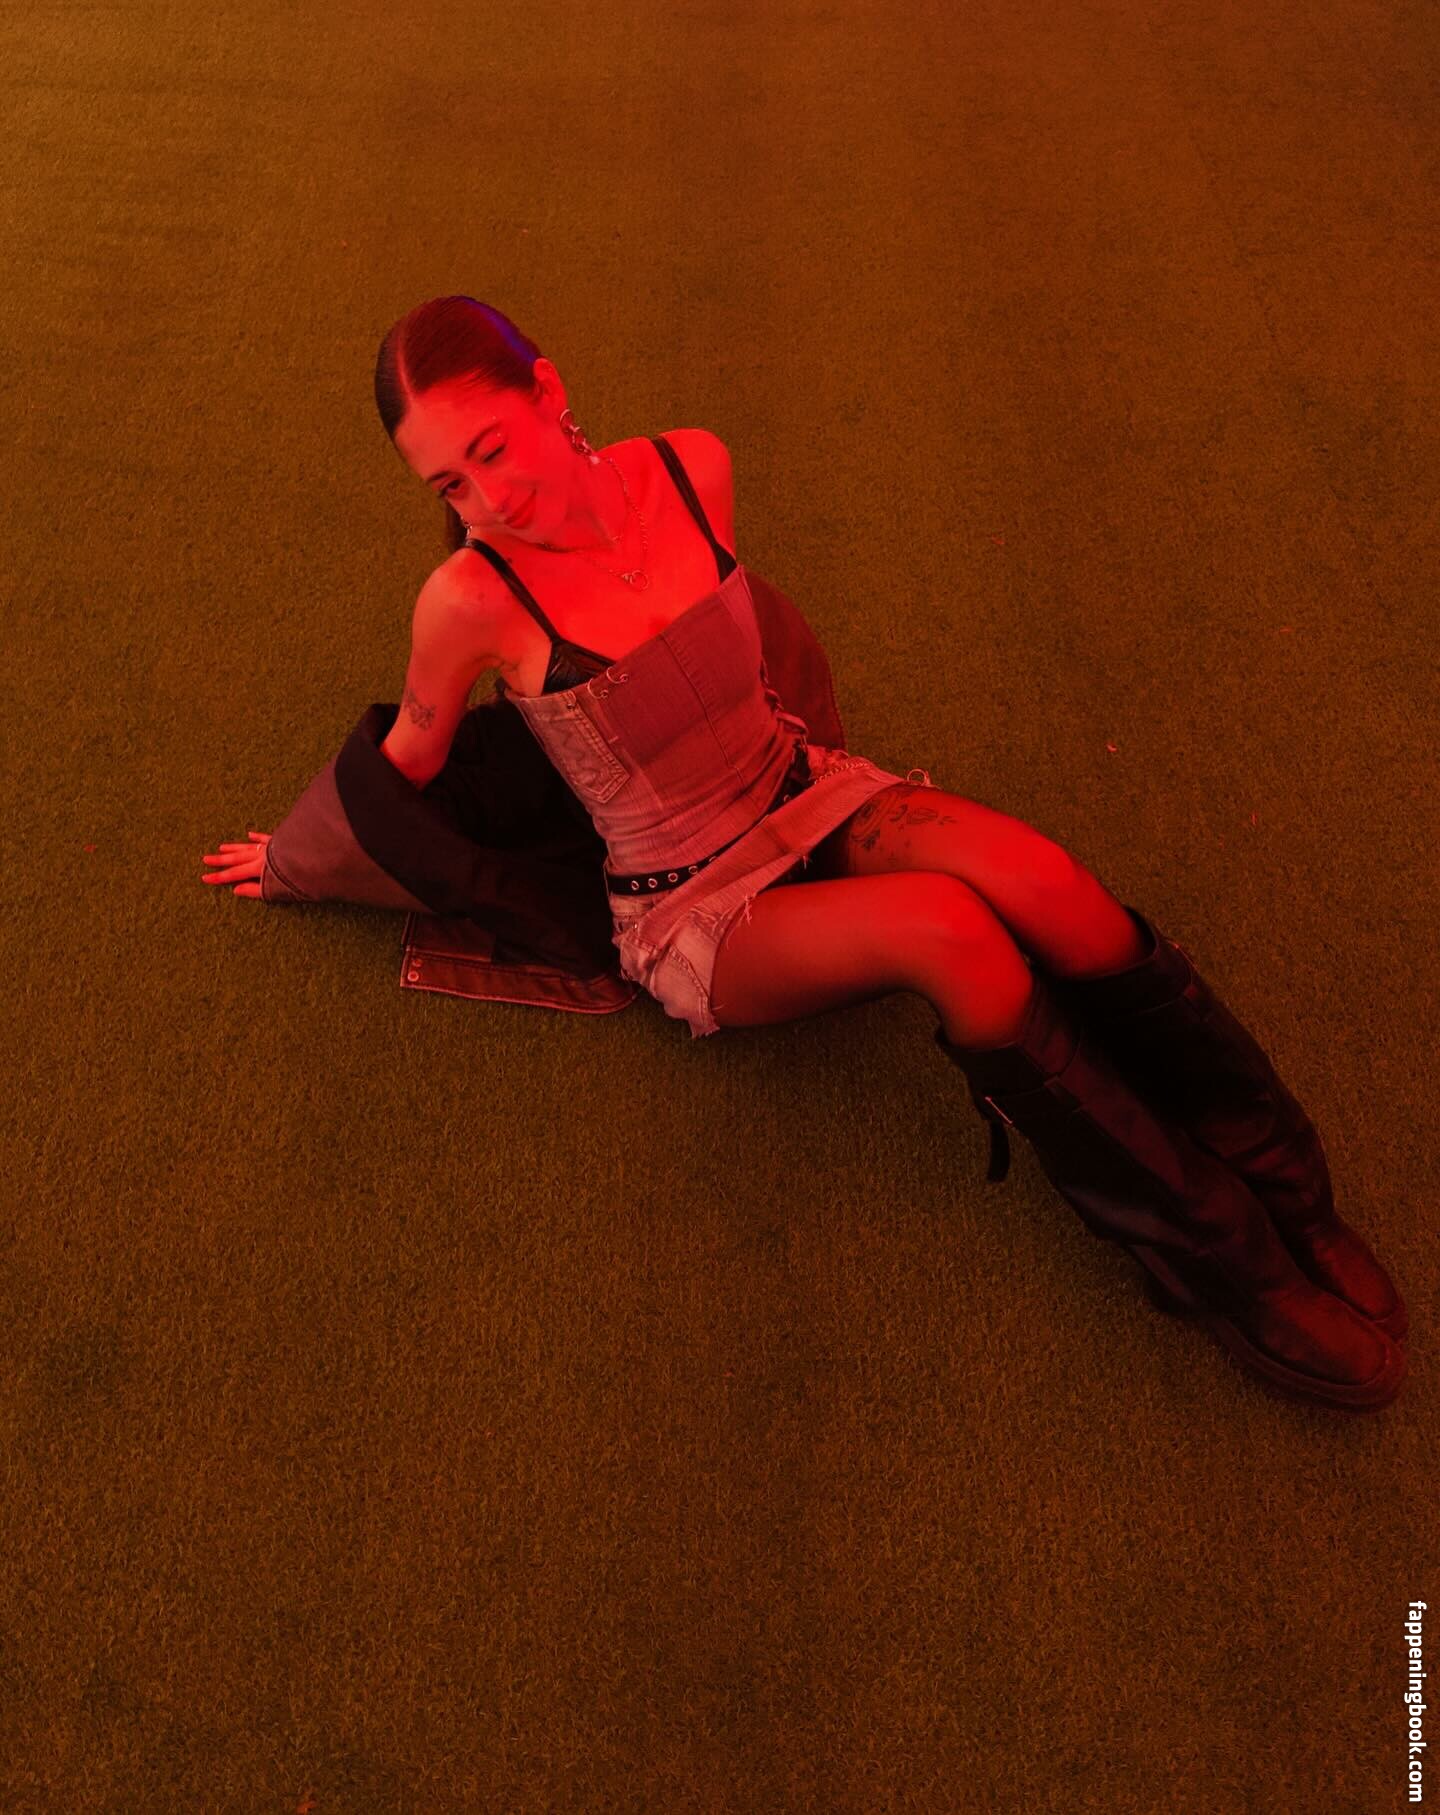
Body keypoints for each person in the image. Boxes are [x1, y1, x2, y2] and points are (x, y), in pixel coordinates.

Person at [201, 295, 1407, 1413]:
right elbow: (410, 759)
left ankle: (1284, 1180)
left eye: (492, 449)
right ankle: (1220, 1260)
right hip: (690, 902)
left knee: (1051, 884)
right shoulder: (469, 599)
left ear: (549, 391)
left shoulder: (692, 467)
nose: (488, 499)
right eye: (450, 483)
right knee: (953, 934)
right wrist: (299, 858)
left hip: (806, 789)